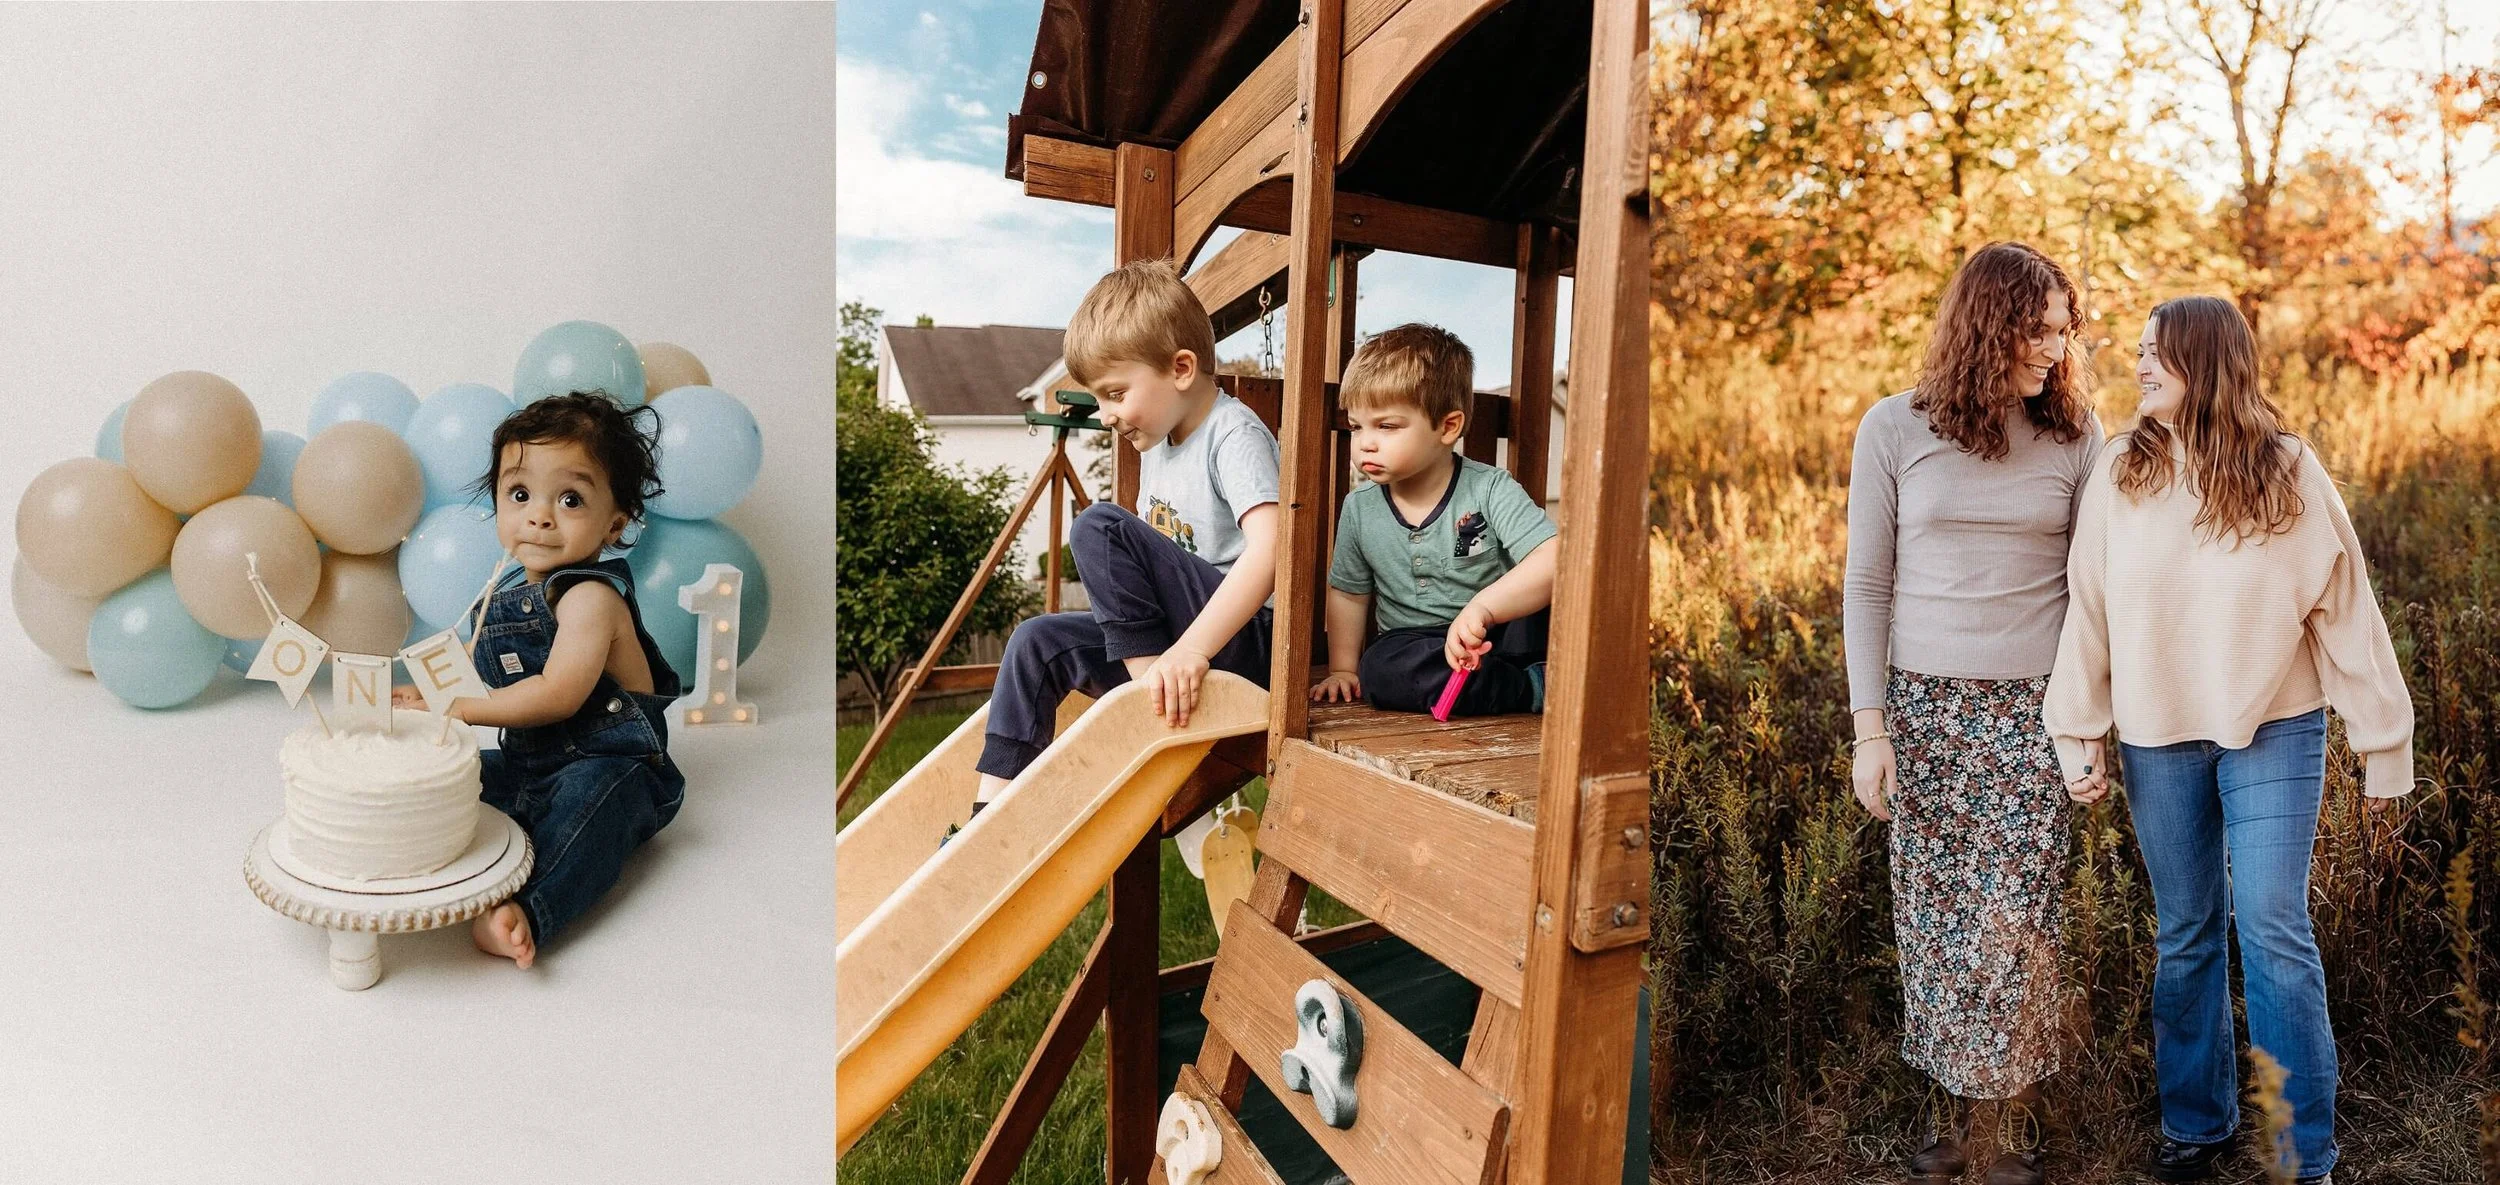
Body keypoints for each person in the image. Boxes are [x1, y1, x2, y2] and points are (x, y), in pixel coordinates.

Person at [2046, 296, 2413, 1185]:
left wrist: (2383, 745)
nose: (2137, 365)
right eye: (2137, 350)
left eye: (2156, 353)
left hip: (2274, 729)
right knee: (2187, 931)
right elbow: (2088, 606)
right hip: (2157, 735)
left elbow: (2346, 605)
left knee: (2275, 927)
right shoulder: (2120, 471)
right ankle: (2196, 1124)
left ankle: (2301, 1152)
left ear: (2206, 361)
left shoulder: (2287, 467)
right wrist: (2077, 728)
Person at [1843, 241, 2103, 1185]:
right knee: (1936, 919)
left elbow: (2095, 591)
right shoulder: (1893, 428)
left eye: (2063, 331)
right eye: (2039, 330)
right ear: (1988, 326)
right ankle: (1953, 1111)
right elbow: (1866, 585)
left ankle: (2011, 1118)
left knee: (2019, 917)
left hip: (2035, 713)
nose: (2055, 348)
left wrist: (2085, 723)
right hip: (1924, 713)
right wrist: (1871, 729)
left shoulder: (2077, 436)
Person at [968, 258, 1280, 823]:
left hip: (1246, 640)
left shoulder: (1232, 435)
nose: (1107, 416)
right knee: (1036, 640)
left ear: (1181, 368)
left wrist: (1188, 652)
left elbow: (1271, 551)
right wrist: (1174, 654)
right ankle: (988, 813)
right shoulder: (1160, 446)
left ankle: (1146, 700)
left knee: (1097, 525)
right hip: (1175, 651)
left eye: (1115, 393)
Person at [392, 392, 686, 970]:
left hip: (614, 766)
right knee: (452, 781)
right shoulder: (505, 594)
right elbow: (475, 665)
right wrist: (429, 695)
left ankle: (529, 908)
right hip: (528, 763)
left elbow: (558, 694)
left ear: (615, 523)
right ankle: (406, 849)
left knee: (590, 809)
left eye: (570, 499)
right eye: (520, 494)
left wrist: (461, 709)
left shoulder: (591, 599)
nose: (539, 516)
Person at [1311, 323, 1555, 716]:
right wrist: (1343, 669)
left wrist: (1484, 608)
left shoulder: (1489, 488)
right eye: (1356, 427)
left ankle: (1511, 680)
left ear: (1448, 426)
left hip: (1495, 634)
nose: (1365, 442)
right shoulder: (1359, 509)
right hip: (1416, 644)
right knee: (1380, 671)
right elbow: (1349, 594)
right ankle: (1529, 688)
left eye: (1386, 426)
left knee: (1552, 603)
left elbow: (1553, 557)